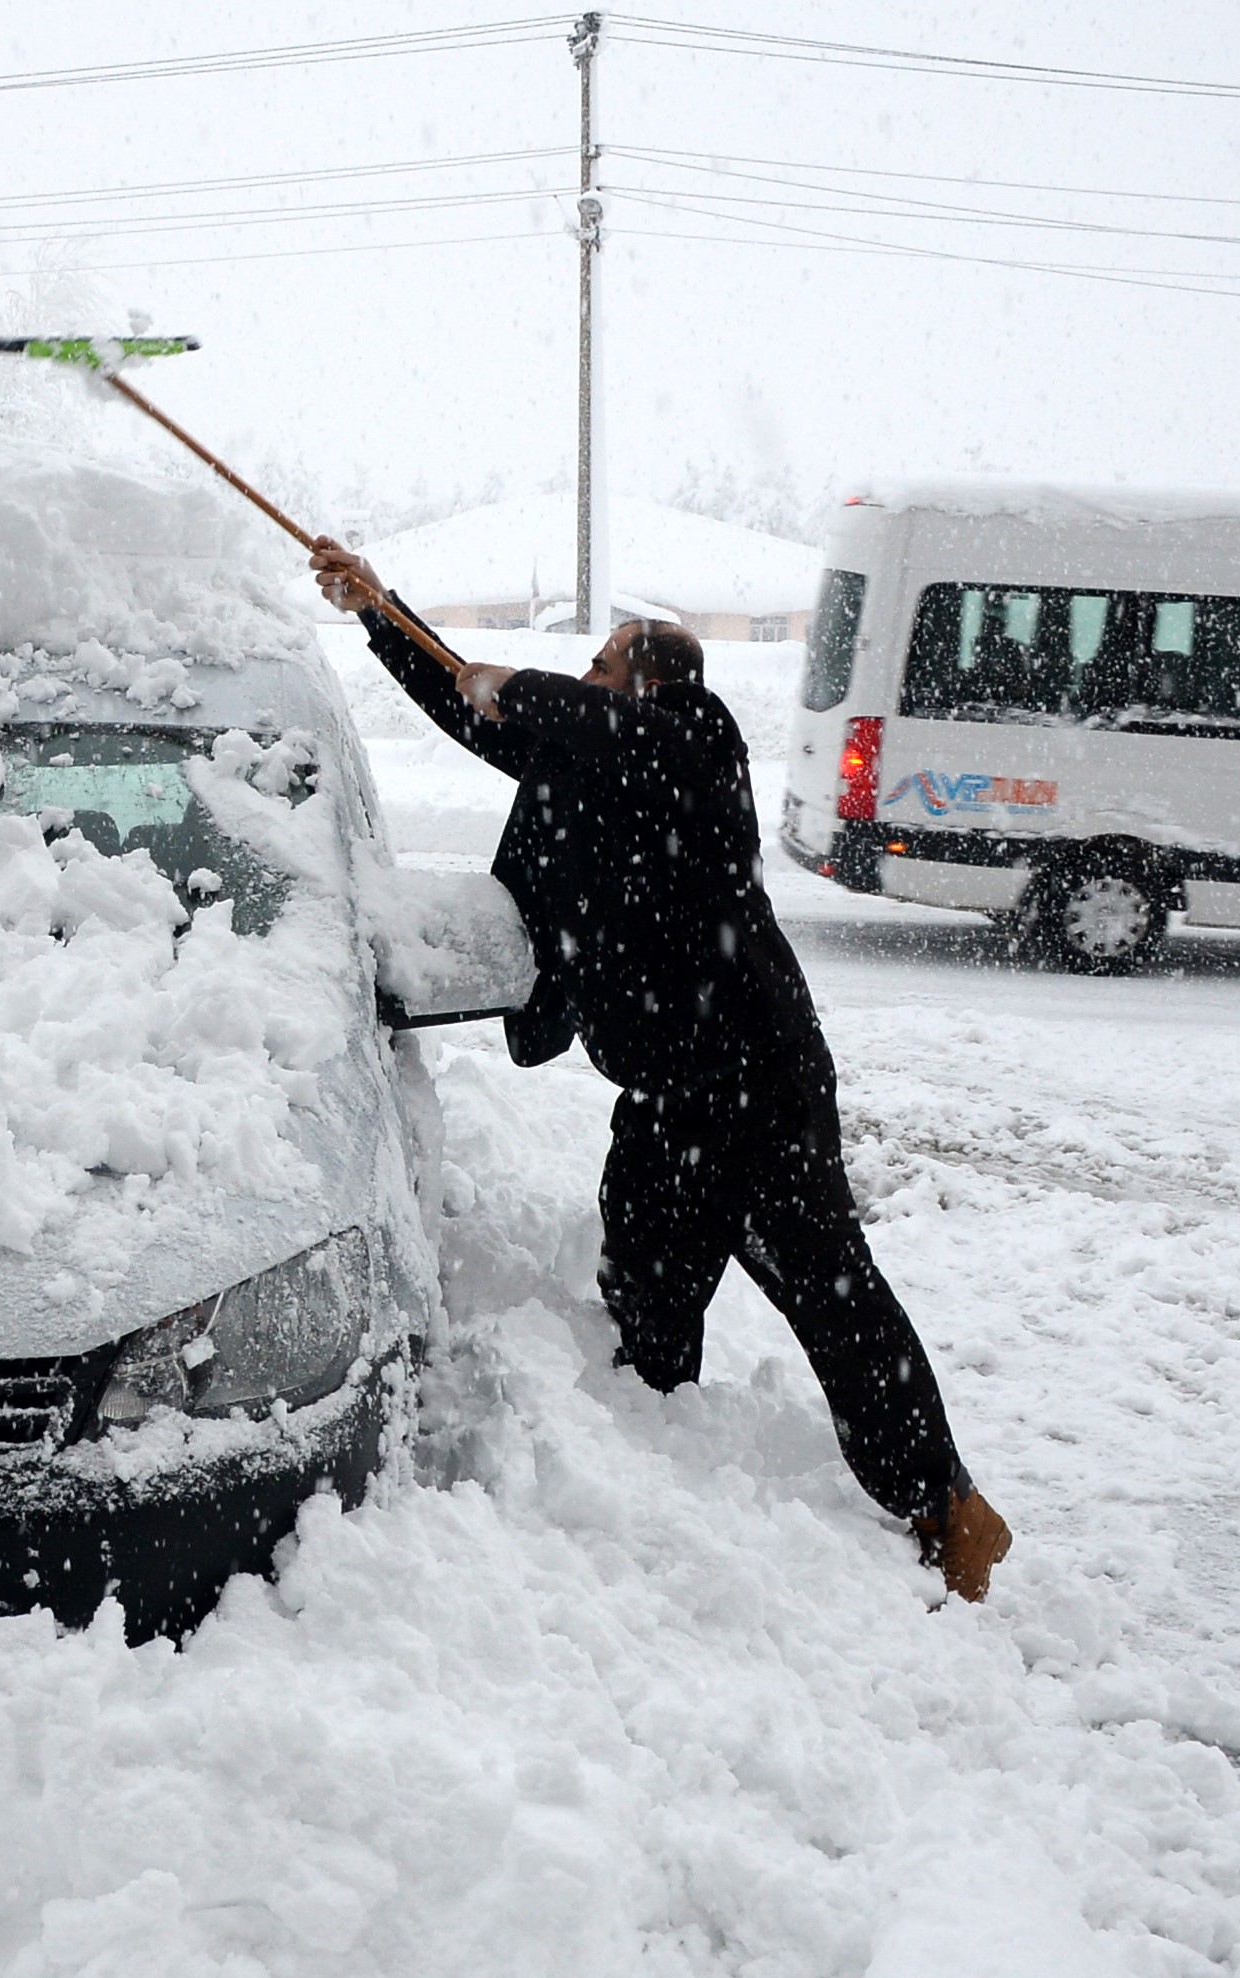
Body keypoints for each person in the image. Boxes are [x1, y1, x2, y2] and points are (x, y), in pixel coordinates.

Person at [310, 537, 1012, 1602]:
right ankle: (663, 1462)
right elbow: (472, 708)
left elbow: (594, 718)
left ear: (644, 681)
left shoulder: (693, 735)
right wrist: (377, 609)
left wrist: (529, 686)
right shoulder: (585, 754)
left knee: (829, 1291)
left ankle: (947, 1503)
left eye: (599, 664)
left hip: (757, 1078)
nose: (584, 680)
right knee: (642, 1276)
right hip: (672, 1091)